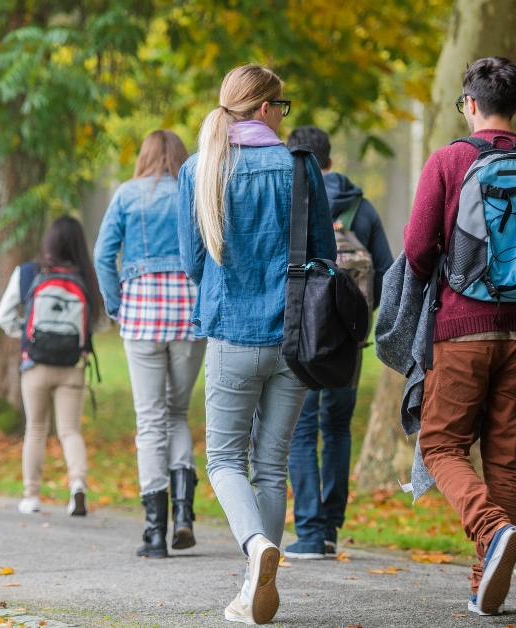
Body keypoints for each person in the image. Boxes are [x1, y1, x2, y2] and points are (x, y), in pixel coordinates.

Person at [403, 57, 516, 616]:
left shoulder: (450, 161)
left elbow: (415, 248)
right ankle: (488, 578)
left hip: (462, 329)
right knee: (505, 455)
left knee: (440, 444)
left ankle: (491, 527)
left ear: (470, 103)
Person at [178, 64, 336, 625]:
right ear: (267, 109)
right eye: (283, 106)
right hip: (295, 337)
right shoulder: (301, 167)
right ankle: (254, 586)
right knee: (271, 465)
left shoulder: (199, 169)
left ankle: (254, 550)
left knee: (224, 458)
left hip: (231, 333)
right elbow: (324, 254)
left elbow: (193, 261)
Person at [93, 130, 206, 559]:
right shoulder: (194, 193)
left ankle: (154, 534)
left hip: (141, 317)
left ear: (142, 156)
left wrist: (117, 306)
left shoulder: (127, 194)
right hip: (189, 315)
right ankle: (183, 517)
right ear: (179, 156)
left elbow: (104, 255)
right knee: (176, 412)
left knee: (150, 419)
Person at [283, 125, 393, 560]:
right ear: (328, 160)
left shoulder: (294, 199)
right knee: (338, 428)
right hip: (348, 344)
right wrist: (358, 322)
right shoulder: (361, 208)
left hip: (304, 340)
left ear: (297, 160)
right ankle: (330, 529)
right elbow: (385, 269)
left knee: (302, 430)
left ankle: (309, 534)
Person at [0, 216, 107, 517]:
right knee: (70, 430)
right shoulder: (87, 276)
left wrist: (28, 334)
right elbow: (102, 322)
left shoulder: (28, 272)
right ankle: (78, 487)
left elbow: (2, 317)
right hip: (73, 365)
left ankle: (32, 497)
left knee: (35, 430)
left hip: (35, 365)